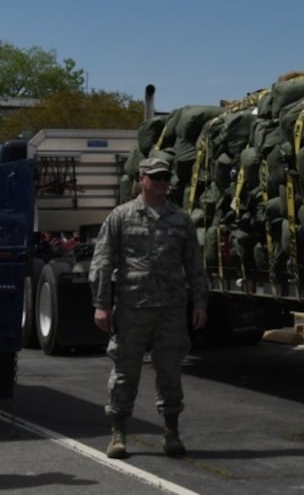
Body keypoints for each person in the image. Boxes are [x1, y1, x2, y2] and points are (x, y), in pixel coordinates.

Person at [90, 157, 209, 459]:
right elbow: (103, 262)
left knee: (170, 373)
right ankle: (118, 434)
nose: (160, 183)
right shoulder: (121, 216)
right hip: (132, 309)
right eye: (154, 177)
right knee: (125, 373)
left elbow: (195, 266)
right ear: (141, 179)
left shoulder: (181, 220)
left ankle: (171, 433)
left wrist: (200, 302)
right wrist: (102, 304)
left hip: (170, 310)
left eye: (164, 178)